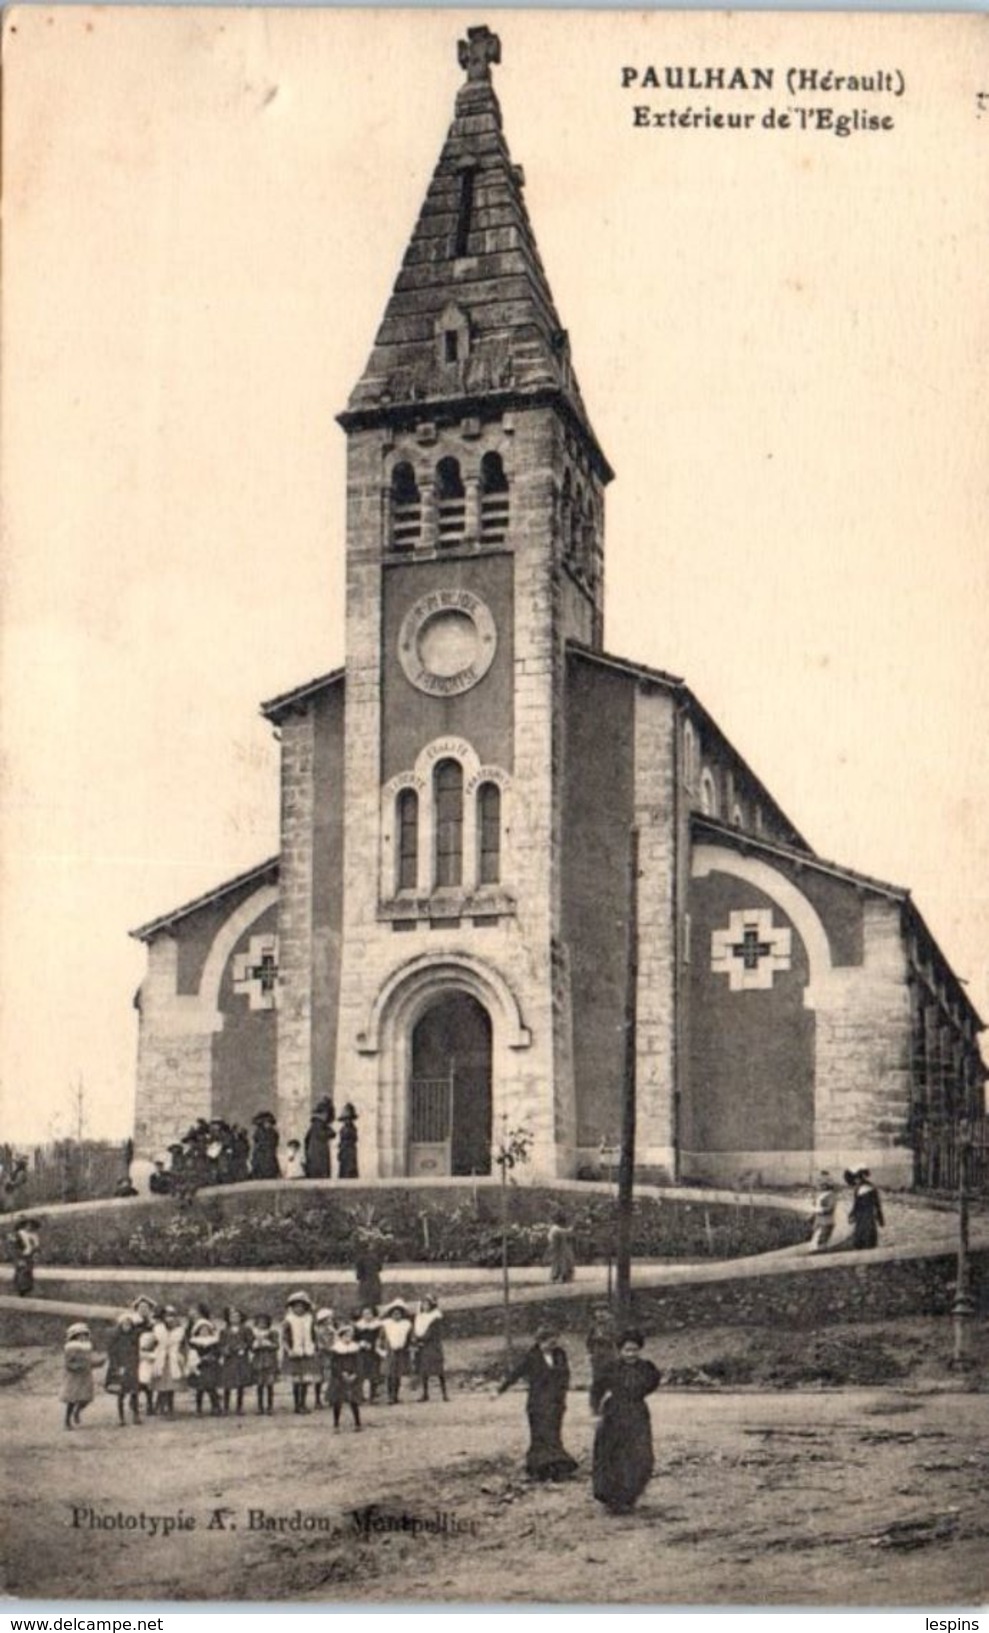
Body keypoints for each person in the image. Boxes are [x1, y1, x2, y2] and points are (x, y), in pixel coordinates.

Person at [590, 1328, 661, 1515]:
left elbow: (653, 1383)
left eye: (634, 1350)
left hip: (637, 1413)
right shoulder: (610, 1367)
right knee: (613, 1455)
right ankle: (612, 1498)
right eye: (627, 1350)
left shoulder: (647, 1367)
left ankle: (630, 1495)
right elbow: (596, 1390)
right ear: (620, 1350)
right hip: (614, 1413)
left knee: (640, 1455)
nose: (631, 1354)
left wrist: (637, 1393)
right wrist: (595, 1414)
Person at [498, 1327, 578, 1482]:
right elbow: (516, 1373)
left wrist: (563, 1394)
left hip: (556, 1402)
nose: (551, 1346)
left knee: (554, 1435)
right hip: (538, 1403)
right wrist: (500, 1390)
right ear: (540, 1341)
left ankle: (558, 1468)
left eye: (554, 1342)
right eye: (548, 1342)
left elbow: (565, 1374)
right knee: (540, 1436)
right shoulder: (531, 1356)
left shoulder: (560, 1354)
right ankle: (540, 1469)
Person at [281, 1291, 318, 1413]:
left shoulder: (309, 1319)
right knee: (296, 1381)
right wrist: (289, 1350)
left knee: (306, 1381)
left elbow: (313, 1335)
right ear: (292, 1307)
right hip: (294, 1353)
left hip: (307, 1352)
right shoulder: (288, 1320)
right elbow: (284, 1338)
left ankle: (303, 1402)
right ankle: (297, 1404)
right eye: (296, 1306)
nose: (299, 1309)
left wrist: (314, 1347)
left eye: (302, 1306)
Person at [105, 1314, 142, 1427]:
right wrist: (116, 1367)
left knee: (134, 1393)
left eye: (129, 1324)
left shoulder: (134, 1338)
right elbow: (112, 1354)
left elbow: (137, 1352)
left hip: (132, 1367)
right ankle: (121, 1418)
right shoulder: (116, 1339)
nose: (127, 1327)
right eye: (125, 1324)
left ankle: (136, 1416)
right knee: (121, 1394)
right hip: (121, 1368)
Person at [61, 1321, 100, 1430]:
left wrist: (98, 1363)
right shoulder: (70, 1348)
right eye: (80, 1335)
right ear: (74, 1336)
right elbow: (68, 1363)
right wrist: (77, 1367)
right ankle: (67, 1421)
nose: (83, 1337)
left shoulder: (87, 1348)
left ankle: (77, 1411)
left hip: (86, 1377)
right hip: (74, 1377)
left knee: (86, 1398)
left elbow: (89, 1362)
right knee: (72, 1400)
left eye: (85, 1335)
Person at [187, 1305, 223, 1416]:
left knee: (211, 1388)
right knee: (200, 1389)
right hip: (200, 1366)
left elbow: (217, 1352)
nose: (204, 1332)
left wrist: (212, 1356)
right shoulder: (194, 1341)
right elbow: (192, 1353)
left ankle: (216, 1407)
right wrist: (198, 1359)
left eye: (206, 1330)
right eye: (202, 1330)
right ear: (198, 1331)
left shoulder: (214, 1341)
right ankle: (198, 1408)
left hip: (211, 1366)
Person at [377, 1299, 414, 1405]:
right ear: (391, 1314)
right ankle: (389, 1396)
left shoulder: (406, 1324)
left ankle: (395, 1395)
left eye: (398, 1314)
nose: (396, 1316)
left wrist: (411, 1345)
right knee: (389, 1374)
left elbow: (410, 1337)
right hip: (389, 1351)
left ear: (401, 1315)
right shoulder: (386, 1324)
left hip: (401, 1351)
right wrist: (380, 1349)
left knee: (398, 1374)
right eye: (394, 1314)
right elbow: (380, 1338)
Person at [412, 1295, 448, 1402]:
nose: (424, 1306)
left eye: (427, 1304)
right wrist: (416, 1339)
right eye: (423, 1304)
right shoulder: (420, 1317)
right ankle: (425, 1393)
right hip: (423, 1347)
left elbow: (431, 1333)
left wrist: (420, 1339)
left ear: (431, 1305)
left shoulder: (435, 1317)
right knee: (424, 1371)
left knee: (438, 1370)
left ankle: (444, 1393)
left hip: (433, 1345)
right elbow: (416, 1330)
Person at [328, 1323, 363, 1431]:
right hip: (339, 1379)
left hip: (353, 1378)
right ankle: (336, 1424)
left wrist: (355, 1374)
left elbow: (359, 1363)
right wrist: (341, 1373)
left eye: (350, 1336)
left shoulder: (355, 1349)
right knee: (337, 1402)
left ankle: (357, 1423)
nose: (348, 1338)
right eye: (346, 1336)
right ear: (341, 1336)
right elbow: (334, 1364)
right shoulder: (336, 1349)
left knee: (354, 1401)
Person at [153, 1306, 187, 1417]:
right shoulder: (158, 1329)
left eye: (172, 1316)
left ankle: (170, 1407)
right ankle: (161, 1406)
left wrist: (181, 1355)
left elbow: (184, 1345)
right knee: (162, 1385)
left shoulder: (180, 1331)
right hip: (161, 1357)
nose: (170, 1319)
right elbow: (152, 1343)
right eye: (167, 1316)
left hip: (173, 1358)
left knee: (172, 1385)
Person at [219, 1307, 252, 1415]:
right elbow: (221, 1344)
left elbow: (250, 1342)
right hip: (229, 1359)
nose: (234, 1318)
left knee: (240, 1384)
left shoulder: (246, 1329)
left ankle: (239, 1407)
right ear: (228, 1318)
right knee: (227, 1384)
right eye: (232, 1316)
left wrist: (244, 1347)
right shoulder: (224, 1331)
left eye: (237, 1316)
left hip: (241, 1359)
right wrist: (225, 1350)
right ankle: (226, 1407)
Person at [847, 1167, 885, 1249]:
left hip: (864, 1214)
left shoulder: (860, 1188)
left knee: (863, 1232)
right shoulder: (870, 1187)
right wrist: (880, 1218)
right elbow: (877, 1204)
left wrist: (852, 1214)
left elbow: (857, 1203)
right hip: (867, 1214)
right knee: (867, 1232)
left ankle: (863, 1246)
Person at [249, 1312, 279, 1415]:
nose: (262, 1324)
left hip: (269, 1361)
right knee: (259, 1385)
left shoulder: (272, 1333)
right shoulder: (254, 1334)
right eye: (259, 1322)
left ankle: (270, 1406)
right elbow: (251, 1348)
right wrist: (255, 1346)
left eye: (264, 1322)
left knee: (270, 1385)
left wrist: (267, 1344)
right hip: (258, 1361)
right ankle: (260, 1406)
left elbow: (276, 1346)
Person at [353, 1307, 382, 1402]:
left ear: (373, 1314)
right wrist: (360, 1343)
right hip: (361, 1352)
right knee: (361, 1373)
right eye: (365, 1313)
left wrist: (374, 1345)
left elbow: (380, 1338)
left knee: (373, 1374)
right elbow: (354, 1338)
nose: (367, 1315)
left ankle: (372, 1395)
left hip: (373, 1352)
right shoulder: (358, 1326)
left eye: (369, 1313)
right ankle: (360, 1395)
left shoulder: (377, 1325)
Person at [585, 1306, 618, 1387]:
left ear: (607, 1313)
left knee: (610, 1373)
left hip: (609, 1352)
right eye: (598, 1311)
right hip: (597, 1353)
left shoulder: (611, 1324)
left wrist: (602, 1338)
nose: (600, 1314)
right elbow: (588, 1340)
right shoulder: (593, 1325)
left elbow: (615, 1338)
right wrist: (590, 1352)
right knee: (597, 1375)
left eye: (603, 1311)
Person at [313, 1307, 338, 1408]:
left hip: (331, 1354)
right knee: (319, 1378)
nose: (330, 1320)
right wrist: (329, 1348)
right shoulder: (318, 1331)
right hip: (322, 1355)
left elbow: (336, 1340)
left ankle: (331, 1397)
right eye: (328, 1318)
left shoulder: (332, 1329)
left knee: (332, 1376)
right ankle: (317, 1399)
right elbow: (320, 1344)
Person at [11, 1217, 41, 1297]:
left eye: (31, 1225)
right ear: (24, 1225)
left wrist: (36, 1253)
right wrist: (19, 1256)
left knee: (28, 1272)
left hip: (30, 1256)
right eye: (28, 1225)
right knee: (21, 1272)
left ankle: (27, 1289)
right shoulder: (20, 1234)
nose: (29, 1226)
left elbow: (37, 1247)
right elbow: (16, 1247)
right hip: (21, 1255)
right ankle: (20, 1290)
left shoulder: (34, 1235)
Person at [809, 1172, 839, 1253]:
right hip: (818, 1221)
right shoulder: (819, 1195)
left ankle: (822, 1257)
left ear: (827, 1185)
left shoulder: (831, 1195)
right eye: (820, 1184)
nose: (821, 1186)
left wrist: (819, 1210)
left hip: (826, 1221)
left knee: (821, 1242)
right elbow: (814, 1207)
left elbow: (830, 1208)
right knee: (814, 1242)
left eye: (823, 1184)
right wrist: (812, 1214)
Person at [304, 1107, 334, 1180]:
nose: (326, 1116)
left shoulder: (313, 1126)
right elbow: (331, 1134)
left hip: (313, 1156)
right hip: (320, 1157)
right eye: (325, 1114)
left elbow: (306, 1140)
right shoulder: (319, 1125)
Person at [547, 1211, 576, 1284]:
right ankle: (560, 1277)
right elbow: (567, 1232)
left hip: (558, 1248)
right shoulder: (556, 1228)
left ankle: (558, 1277)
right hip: (558, 1249)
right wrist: (573, 1226)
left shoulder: (554, 1228)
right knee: (561, 1262)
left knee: (559, 1263)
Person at [250, 1111, 280, 1181]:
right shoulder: (259, 1131)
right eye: (266, 1123)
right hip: (261, 1153)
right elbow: (256, 1141)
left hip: (269, 1152)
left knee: (270, 1165)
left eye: (269, 1123)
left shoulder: (273, 1132)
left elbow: (275, 1142)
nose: (268, 1125)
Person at [354, 1244, 383, 1311]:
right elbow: (380, 1268)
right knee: (375, 1303)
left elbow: (359, 1274)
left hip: (365, 1282)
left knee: (365, 1303)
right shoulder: (375, 1257)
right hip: (375, 1282)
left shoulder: (360, 1259)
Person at [337, 1104, 359, 1180]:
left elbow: (355, 1139)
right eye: (345, 1119)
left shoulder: (352, 1129)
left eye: (349, 1119)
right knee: (343, 1171)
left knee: (350, 1170)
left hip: (350, 1152)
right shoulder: (343, 1129)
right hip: (344, 1152)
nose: (347, 1121)